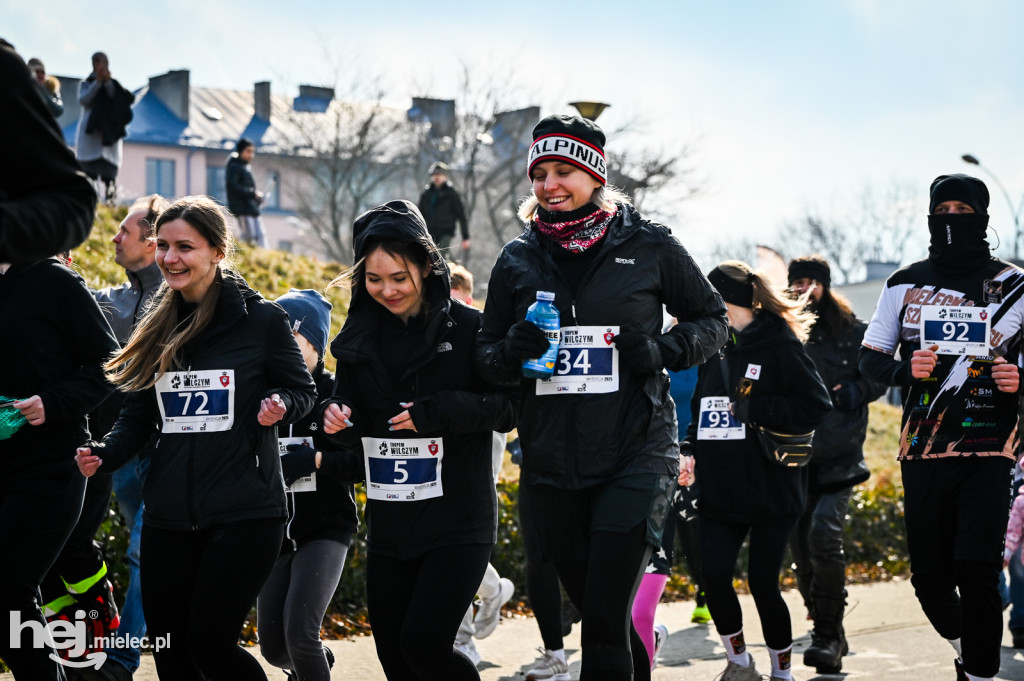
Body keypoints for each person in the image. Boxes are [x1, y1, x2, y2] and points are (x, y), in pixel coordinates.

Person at [477, 113, 729, 680]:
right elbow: (487, 358)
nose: (549, 185)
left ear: (594, 174)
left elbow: (712, 320)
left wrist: (663, 349)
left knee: (602, 616)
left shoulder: (649, 245)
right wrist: (509, 350)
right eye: (539, 173)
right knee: (601, 613)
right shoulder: (517, 259)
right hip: (550, 463)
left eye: (563, 170)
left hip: (634, 453)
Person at [74, 195, 316, 681]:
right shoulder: (157, 323)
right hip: (169, 514)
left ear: (218, 252)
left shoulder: (261, 321)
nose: (169, 257)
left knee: (209, 645)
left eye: (185, 246)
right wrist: (103, 454)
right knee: (171, 653)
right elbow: (138, 417)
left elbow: (302, 390)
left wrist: (281, 405)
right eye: (162, 245)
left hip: (244, 512)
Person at [314, 199, 517, 681]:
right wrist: (336, 419)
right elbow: (349, 420)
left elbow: (509, 409)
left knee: (424, 648)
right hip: (392, 519)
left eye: (399, 278)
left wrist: (436, 412)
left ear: (428, 265)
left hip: (458, 518)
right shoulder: (358, 336)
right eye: (374, 279)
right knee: (394, 660)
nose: (387, 291)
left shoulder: (470, 328)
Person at [859, 173, 1024, 681]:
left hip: (991, 447)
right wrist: (905, 372)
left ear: (984, 218)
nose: (953, 218)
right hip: (924, 449)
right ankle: (967, 649)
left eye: (964, 209)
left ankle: (979, 673)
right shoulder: (902, 283)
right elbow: (869, 361)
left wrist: (1018, 378)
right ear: (931, 216)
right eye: (944, 209)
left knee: (978, 572)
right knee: (930, 581)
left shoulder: (1015, 286)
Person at [683, 260, 832, 681]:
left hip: (771, 486)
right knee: (713, 577)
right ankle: (739, 663)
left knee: (764, 584)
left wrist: (756, 409)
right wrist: (689, 447)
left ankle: (781, 673)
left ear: (727, 301)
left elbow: (816, 405)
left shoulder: (780, 345)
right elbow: (701, 407)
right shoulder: (714, 346)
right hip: (719, 486)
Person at [0, 252, 118, 679]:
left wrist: (52, 402)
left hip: (49, 463)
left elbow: (110, 364)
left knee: (9, 591)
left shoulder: (54, 281)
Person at [785, 255, 887, 674]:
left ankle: (829, 636)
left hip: (842, 455)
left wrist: (853, 393)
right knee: (801, 548)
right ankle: (822, 616)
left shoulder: (855, 332)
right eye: (797, 283)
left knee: (825, 535)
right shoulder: (784, 331)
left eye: (811, 282)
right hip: (792, 455)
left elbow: (879, 376)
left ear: (825, 285)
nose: (804, 290)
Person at [257, 288, 355, 681]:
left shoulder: (336, 394)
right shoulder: (261, 394)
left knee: (300, 635)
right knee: (273, 647)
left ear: (316, 344)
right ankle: (316, 663)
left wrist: (315, 460)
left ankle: (311, 659)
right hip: (274, 532)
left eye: (292, 339)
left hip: (325, 530)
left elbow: (363, 463)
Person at [92, 194, 169, 678]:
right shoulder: (110, 302)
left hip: (167, 452)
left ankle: (122, 660)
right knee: (151, 558)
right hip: (122, 453)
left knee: (145, 551)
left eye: (126, 231)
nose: (115, 237)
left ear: (153, 241)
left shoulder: (183, 300)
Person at [448, 264, 517, 668]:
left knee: (463, 527)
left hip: (484, 433)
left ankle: (464, 640)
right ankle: (492, 592)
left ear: (469, 299)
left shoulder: (481, 328)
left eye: (455, 300)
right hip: (441, 436)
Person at [1, 38, 97, 264]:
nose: (41, 76)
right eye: (38, 72)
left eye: (43, 72)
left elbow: (72, 199)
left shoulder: (8, 72)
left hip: (38, 138)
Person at [76, 52, 134, 204]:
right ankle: (90, 203)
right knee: (89, 175)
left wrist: (107, 82)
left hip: (110, 134)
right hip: (90, 136)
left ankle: (110, 203)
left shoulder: (114, 84)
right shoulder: (86, 83)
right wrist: (97, 83)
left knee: (109, 176)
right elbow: (84, 100)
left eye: (102, 61)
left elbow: (117, 98)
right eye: (96, 61)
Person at [417, 162, 469, 262]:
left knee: (439, 257)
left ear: (445, 176)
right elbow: (419, 214)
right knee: (428, 257)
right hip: (429, 231)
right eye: (434, 175)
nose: (437, 177)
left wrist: (465, 236)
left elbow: (462, 215)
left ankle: (450, 274)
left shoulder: (452, 193)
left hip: (446, 231)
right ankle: (454, 268)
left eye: (439, 175)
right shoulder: (427, 193)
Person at [226, 138, 266, 247]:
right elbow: (233, 186)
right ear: (240, 151)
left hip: (250, 206)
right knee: (249, 236)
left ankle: (260, 255)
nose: (251, 155)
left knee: (259, 234)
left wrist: (255, 197)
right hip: (241, 207)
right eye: (248, 151)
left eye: (252, 152)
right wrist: (252, 193)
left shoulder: (245, 166)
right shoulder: (234, 166)